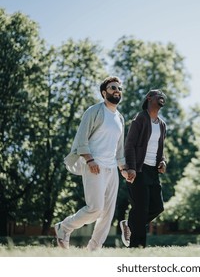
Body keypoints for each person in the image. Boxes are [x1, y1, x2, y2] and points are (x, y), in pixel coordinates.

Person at [54, 76, 130, 251]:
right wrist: (90, 159)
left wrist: (123, 170)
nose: (117, 90)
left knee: (108, 213)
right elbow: (81, 139)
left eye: (119, 88)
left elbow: (119, 149)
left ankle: (94, 249)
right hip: (93, 165)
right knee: (95, 209)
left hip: (112, 169)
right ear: (104, 93)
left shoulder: (120, 118)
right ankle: (64, 227)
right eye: (112, 88)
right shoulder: (94, 111)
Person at [121, 89, 167, 248]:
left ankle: (129, 224)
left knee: (157, 207)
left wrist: (162, 161)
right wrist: (131, 168)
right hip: (138, 170)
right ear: (149, 98)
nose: (162, 97)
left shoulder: (162, 125)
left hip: (153, 172)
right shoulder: (140, 119)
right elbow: (129, 145)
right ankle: (136, 248)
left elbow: (160, 149)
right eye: (158, 95)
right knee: (141, 210)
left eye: (163, 96)